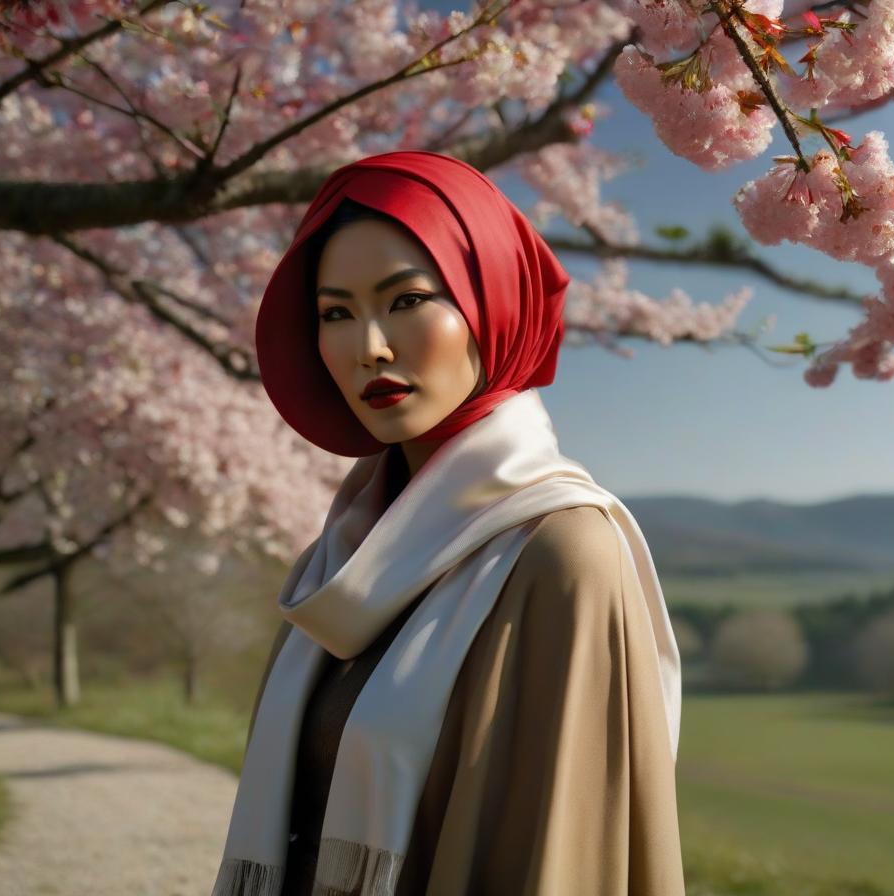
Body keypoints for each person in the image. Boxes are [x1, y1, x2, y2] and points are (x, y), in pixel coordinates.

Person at [211, 150, 685, 896]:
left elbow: (557, 863)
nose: (368, 346)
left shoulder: (560, 553)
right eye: (336, 314)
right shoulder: (338, 561)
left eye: (406, 301)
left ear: (491, 301)